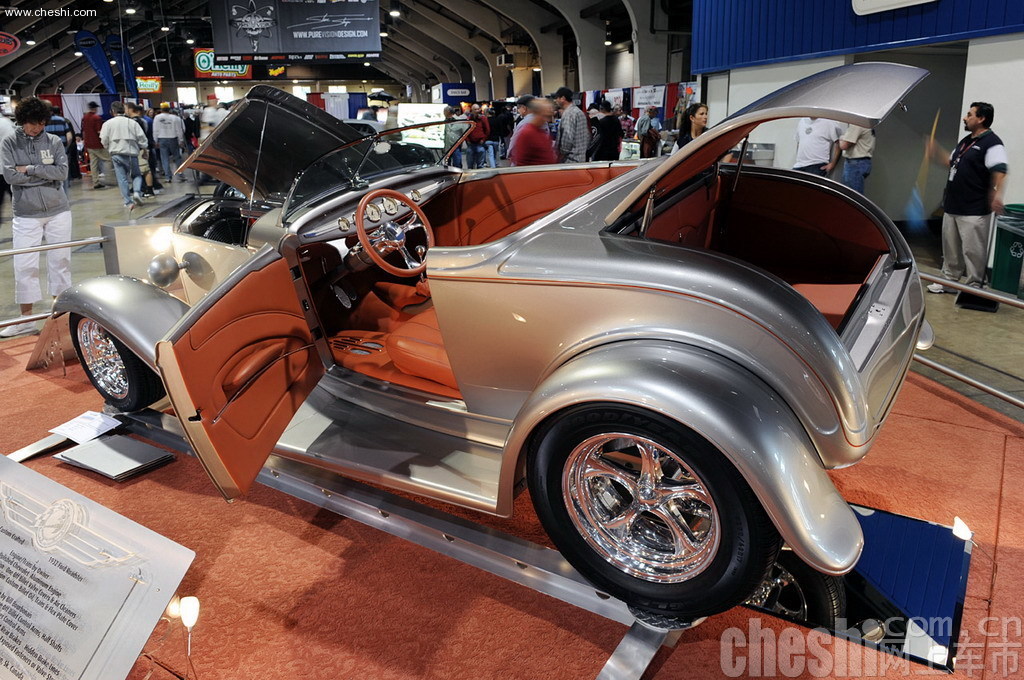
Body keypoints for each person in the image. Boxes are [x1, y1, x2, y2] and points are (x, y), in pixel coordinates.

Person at [0, 97, 72, 337]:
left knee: (60, 262)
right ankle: (26, 319)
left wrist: (30, 169)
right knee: (24, 264)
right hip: (26, 213)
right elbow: (11, 177)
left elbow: (62, 172)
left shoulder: (53, 141)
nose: (37, 128)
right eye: (33, 123)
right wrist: (45, 175)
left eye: (41, 123)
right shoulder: (9, 142)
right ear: (22, 120)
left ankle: (62, 316)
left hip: (58, 210)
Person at [926, 101, 1008, 293]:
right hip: (952, 205)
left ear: (981, 119)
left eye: (969, 115)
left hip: (974, 208)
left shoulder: (992, 143)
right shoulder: (966, 141)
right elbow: (952, 162)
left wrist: (997, 194)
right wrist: (935, 152)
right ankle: (949, 281)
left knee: (973, 251)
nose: (965, 118)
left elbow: (1000, 170)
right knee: (950, 249)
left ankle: (974, 287)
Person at [100, 101, 147, 212]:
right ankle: (136, 192)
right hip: (131, 153)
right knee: (136, 175)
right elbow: (142, 138)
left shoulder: (107, 124)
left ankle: (128, 202)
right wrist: (144, 148)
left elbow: (104, 139)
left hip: (116, 153)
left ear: (112, 111)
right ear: (124, 110)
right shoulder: (132, 123)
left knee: (122, 178)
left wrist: (108, 148)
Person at [509, 98, 556, 167]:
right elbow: (520, 160)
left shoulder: (541, 131)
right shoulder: (527, 133)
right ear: (537, 113)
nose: (547, 119)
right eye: (545, 115)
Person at [550, 86, 588, 163]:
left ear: (563, 98)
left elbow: (567, 138)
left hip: (570, 160)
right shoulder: (578, 112)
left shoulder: (569, 114)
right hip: (580, 158)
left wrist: (561, 153)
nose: (555, 100)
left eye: (557, 98)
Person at [81, 101, 110, 189]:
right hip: (97, 144)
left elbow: (83, 130)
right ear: (95, 108)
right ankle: (110, 178)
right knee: (109, 159)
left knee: (93, 163)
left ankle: (96, 182)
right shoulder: (96, 118)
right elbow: (99, 131)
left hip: (88, 143)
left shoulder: (85, 117)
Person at [154, 103, 187, 181]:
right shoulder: (175, 118)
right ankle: (180, 175)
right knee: (177, 158)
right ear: (169, 109)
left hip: (162, 139)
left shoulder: (157, 118)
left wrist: (155, 140)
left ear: (161, 109)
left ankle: (168, 177)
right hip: (173, 138)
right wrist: (181, 140)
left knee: (164, 158)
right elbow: (179, 130)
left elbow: (155, 130)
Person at [45, 105, 73, 192]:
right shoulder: (62, 120)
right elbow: (69, 137)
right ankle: (64, 194)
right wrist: (66, 147)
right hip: (61, 150)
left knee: (49, 174)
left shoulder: (43, 122)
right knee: (63, 172)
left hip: (47, 152)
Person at [839, 124, 875, 193]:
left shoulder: (857, 124)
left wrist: (841, 137)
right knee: (852, 193)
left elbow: (844, 145)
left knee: (851, 194)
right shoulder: (867, 124)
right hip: (862, 162)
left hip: (855, 164)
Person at [507, 95, 534, 164]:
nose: (518, 111)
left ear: (524, 108)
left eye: (519, 108)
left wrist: (509, 153)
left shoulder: (523, 123)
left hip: (524, 159)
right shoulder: (542, 121)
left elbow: (514, 140)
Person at [465, 103, 489, 169]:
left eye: (478, 109)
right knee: (470, 165)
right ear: (472, 110)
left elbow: (487, 130)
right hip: (471, 144)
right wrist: (467, 140)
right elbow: (465, 131)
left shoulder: (483, 119)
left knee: (480, 165)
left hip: (480, 143)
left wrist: (483, 139)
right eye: (475, 109)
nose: (477, 111)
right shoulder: (468, 119)